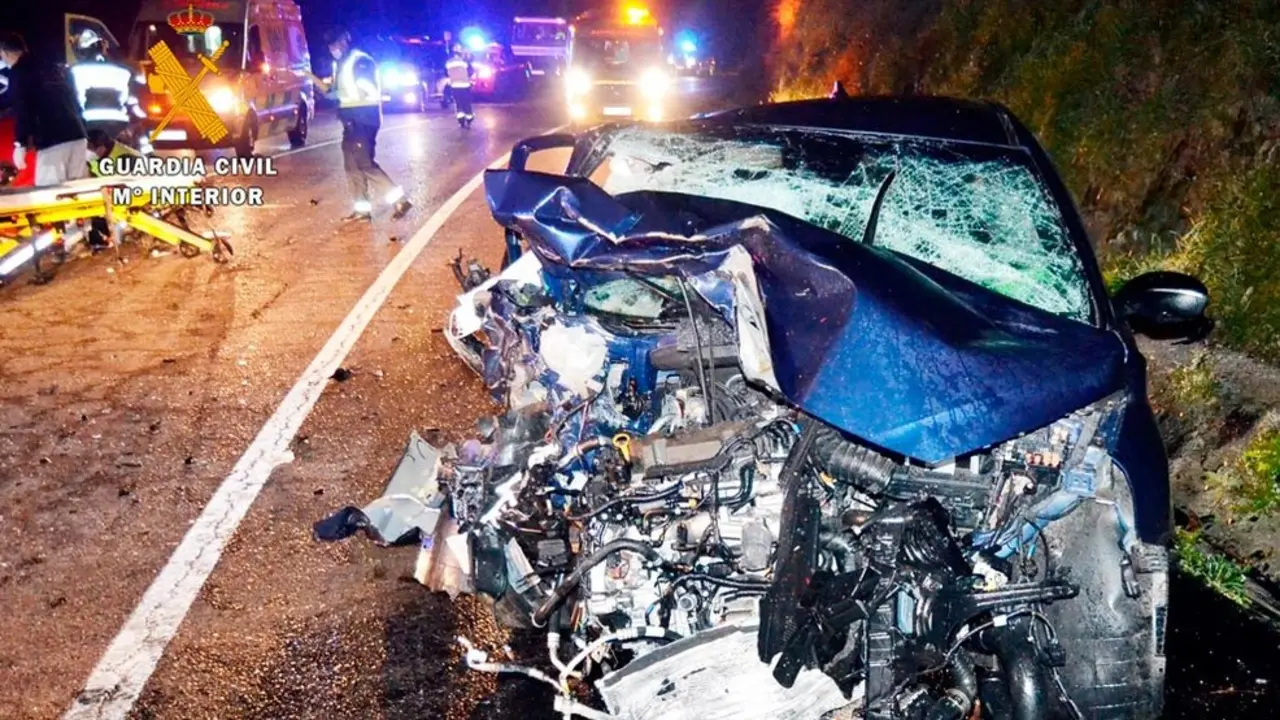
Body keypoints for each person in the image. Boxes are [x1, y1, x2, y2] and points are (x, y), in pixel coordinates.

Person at [316, 28, 411, 222]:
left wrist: (342, 95)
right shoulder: (341, 63)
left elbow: (368, 91)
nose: (333, 48)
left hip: (363, 120)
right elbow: (332, 91)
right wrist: (311, 78)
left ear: (345, 41)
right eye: (330, 45)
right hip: (350, 121)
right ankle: (362, 209)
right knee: (351, 166)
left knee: (364, 163)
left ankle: (399, 200)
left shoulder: (360, 61)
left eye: (336, 43)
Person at [0, 32, 89, 187]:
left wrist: (20, 143)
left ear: (5, 52)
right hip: (78, 135)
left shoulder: (19, 72)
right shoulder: (50, 67)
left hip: (53, 140)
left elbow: (23, 108)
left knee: (50, 192)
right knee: (80, 191)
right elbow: (72, 98)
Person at [445, 44, 475, 125]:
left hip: (454, 86)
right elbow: (471, 72)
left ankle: (461, 119)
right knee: (466, 102)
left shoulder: (448, 62)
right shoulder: (464, 62)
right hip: (465, 85)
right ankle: (469, 118)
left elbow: (446, 74)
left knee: (458, 103)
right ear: (461, 53)